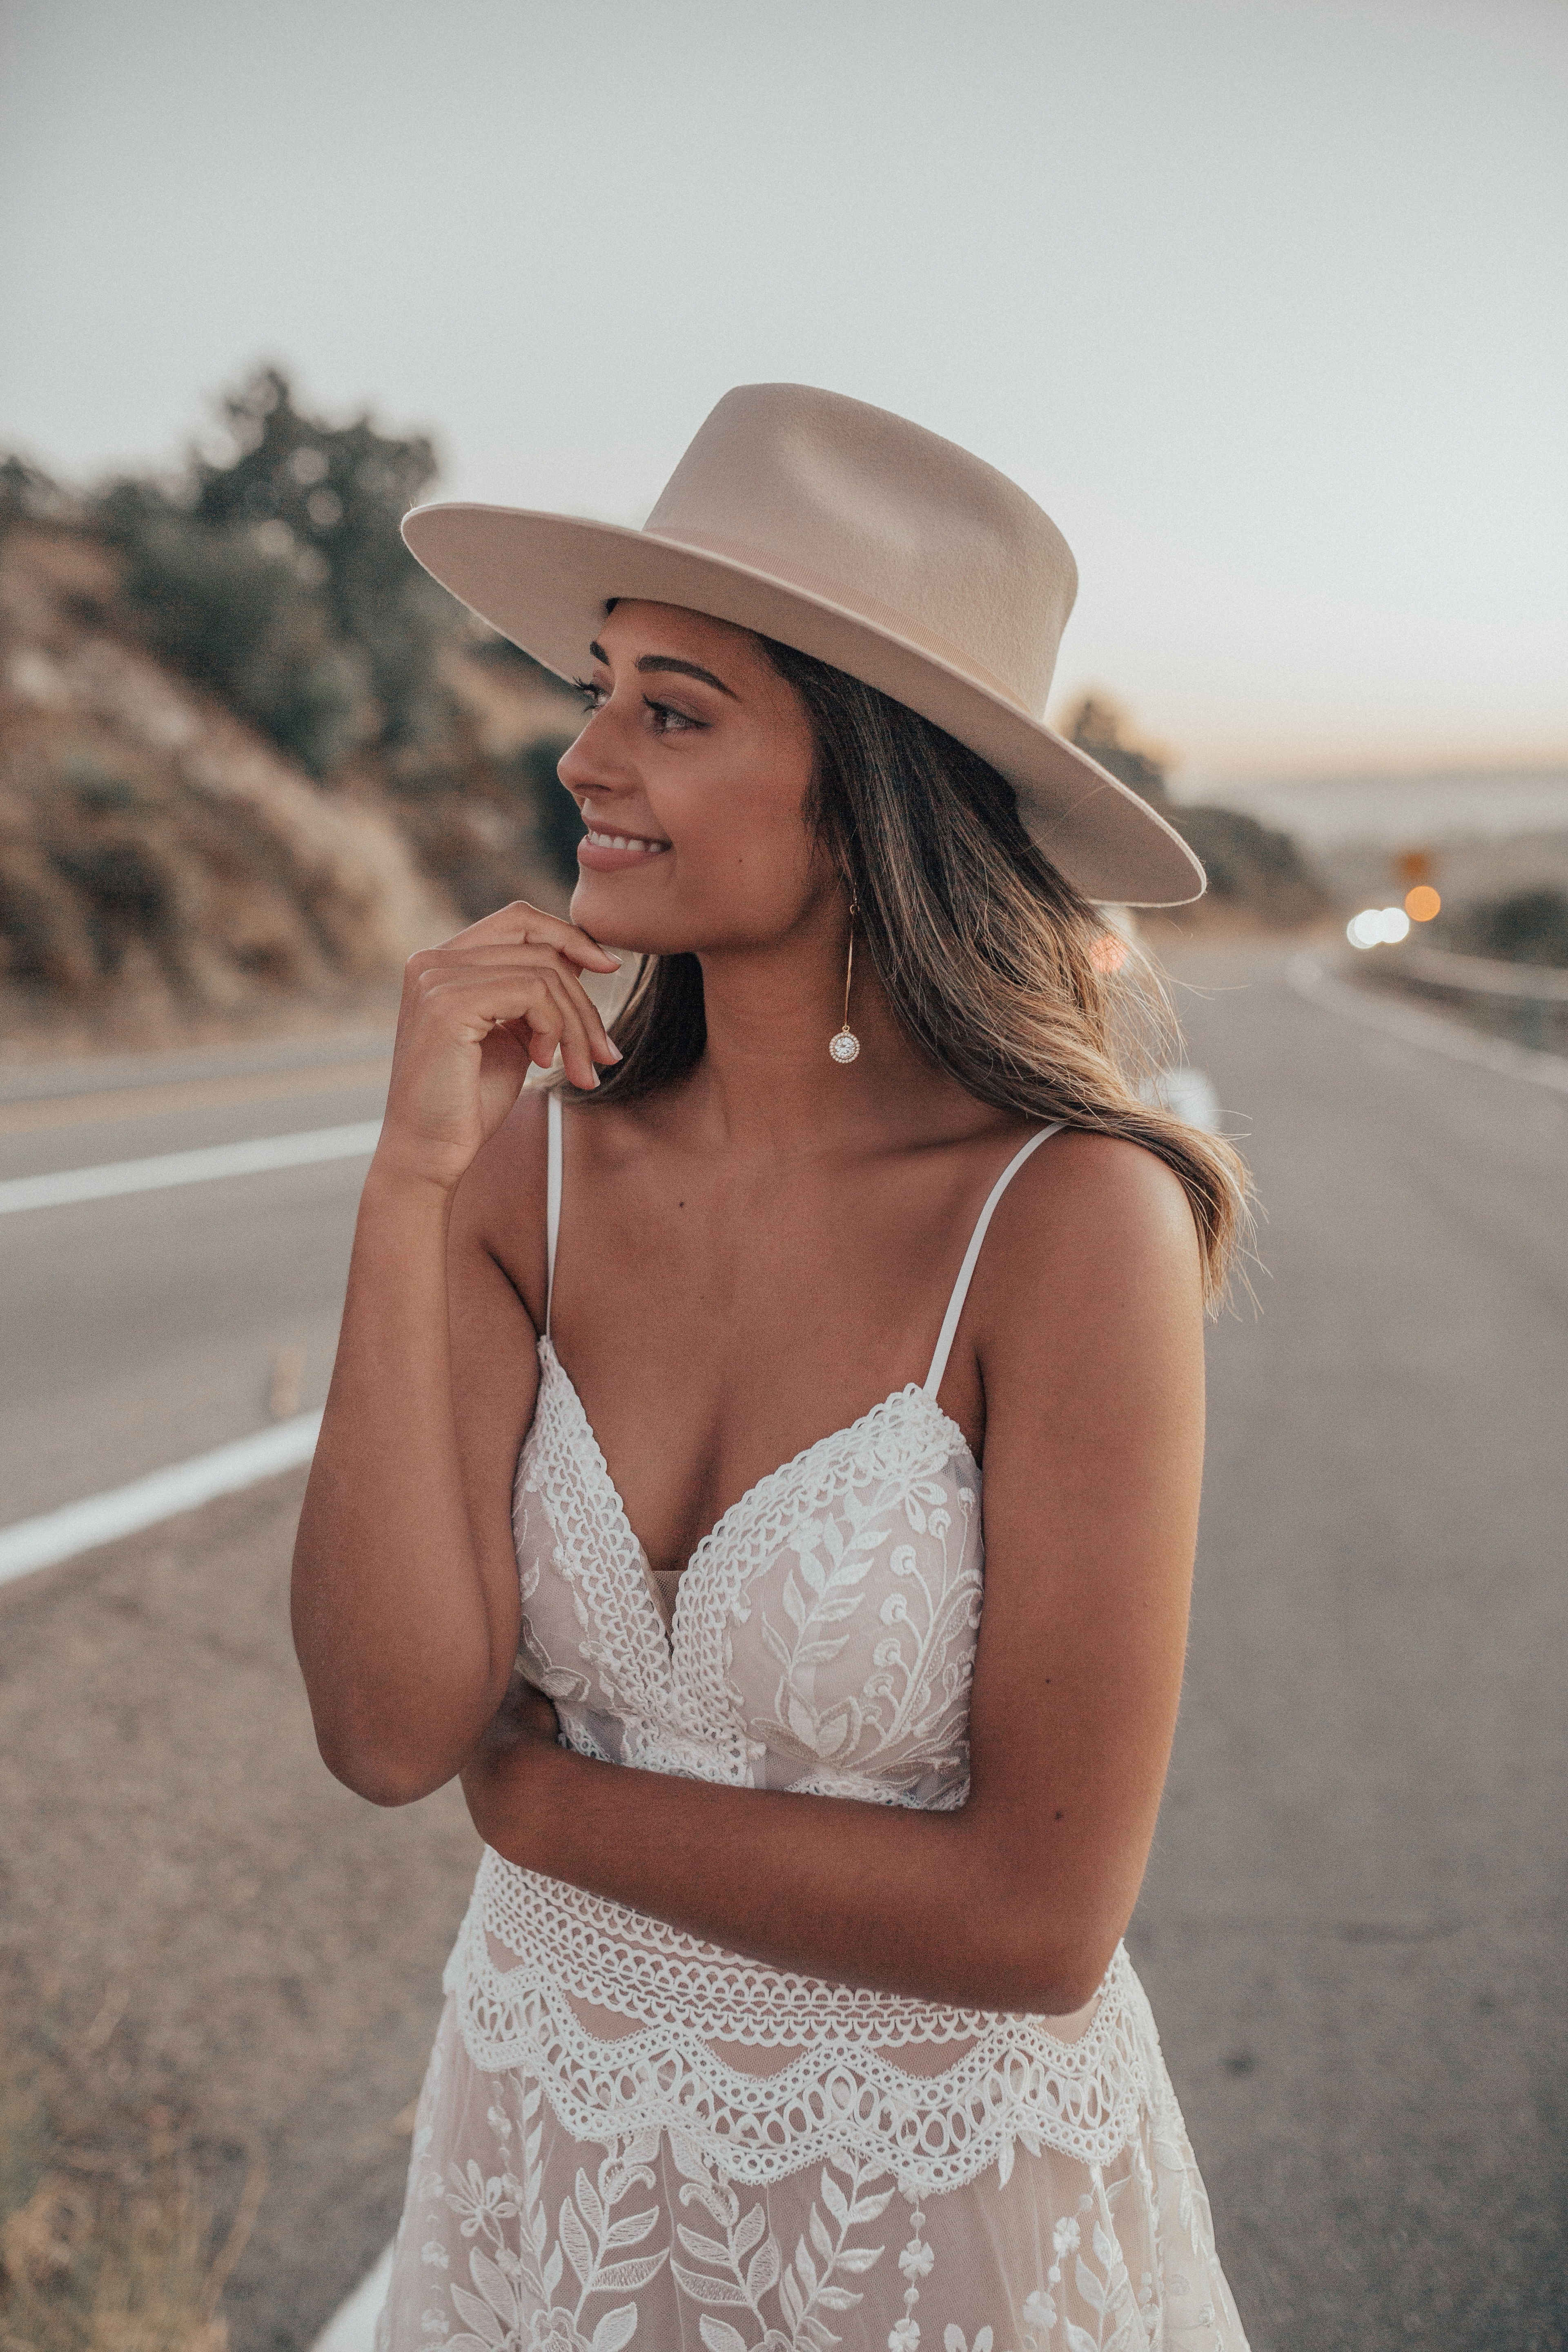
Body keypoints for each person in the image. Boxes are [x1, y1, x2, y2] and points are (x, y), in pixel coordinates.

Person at [292, 384, 1252, 2352]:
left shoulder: (1069, 1224)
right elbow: (393, 1730)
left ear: (875, 783)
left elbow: (1036, 1923)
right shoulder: (520, 1168)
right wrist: (405, 1194)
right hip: (535, 2178)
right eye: (600, 686)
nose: (581, 753)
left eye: (675, 707)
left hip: (933, 2228)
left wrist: (547, 1813)